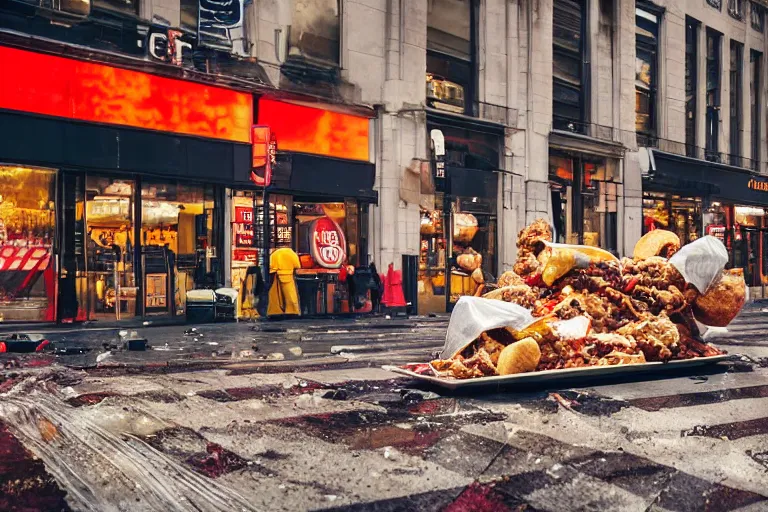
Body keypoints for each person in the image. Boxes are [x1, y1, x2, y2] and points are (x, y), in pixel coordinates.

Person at [267, 247, 301, 316]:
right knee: (291, 294)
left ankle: (275, 311)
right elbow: (297, 265)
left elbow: (271, 266)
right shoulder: (292, 253)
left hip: (277, 274)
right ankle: (292, 311)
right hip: (289, 275)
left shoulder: (275, 254)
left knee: (275, 295)